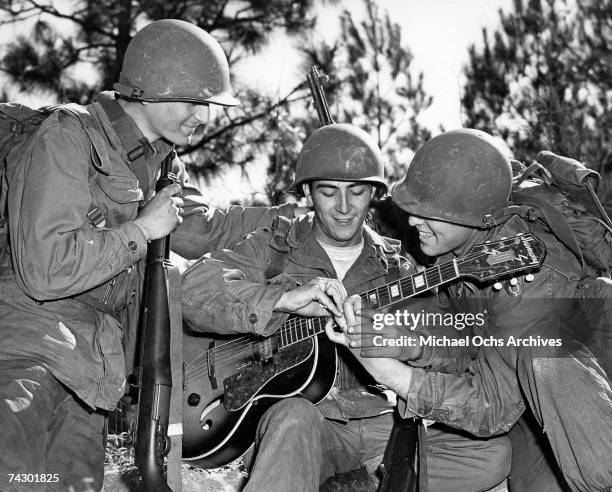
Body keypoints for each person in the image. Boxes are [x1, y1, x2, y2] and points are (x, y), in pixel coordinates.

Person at [0, 19, 299, 492]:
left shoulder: (159, 163)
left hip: (90, 376)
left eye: (210, 103)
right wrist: (142, 229)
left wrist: (295, 219)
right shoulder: (68, 135)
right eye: (194, 100)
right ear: (152, 88)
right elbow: (46, 268)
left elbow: (205, 230)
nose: (204, 115)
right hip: (24, 360)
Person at [181, 123, 511, 492]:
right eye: (328, 192)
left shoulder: (401, 268)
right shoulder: (275, 246)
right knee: (292, 416)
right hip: (307, 424)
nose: (343, 208)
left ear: (373, 194)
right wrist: (283, 300)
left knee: (491, 455)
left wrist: (410, 343)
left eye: (356, 192)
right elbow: (194, 289)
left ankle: (362, 483)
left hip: (382, 422)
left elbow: (457, 350)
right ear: (307, 191)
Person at [328, 128, 612, 492]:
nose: (413, 221)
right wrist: (410, 344)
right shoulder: (457, 251)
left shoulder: (528, 275)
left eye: (428, 212)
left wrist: (393, 374)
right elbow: (468, 340)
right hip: (528, 393)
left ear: (477, 216)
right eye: (413, 208)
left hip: (584, 383)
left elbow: (491, 406)